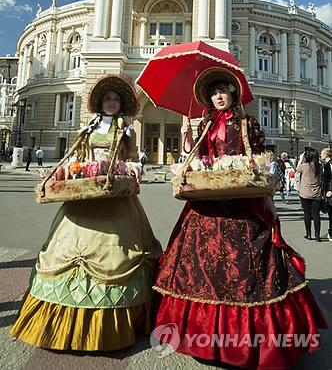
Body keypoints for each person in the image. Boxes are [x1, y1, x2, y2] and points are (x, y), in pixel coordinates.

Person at [153, 68, 326, 369]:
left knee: (250, 265)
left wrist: (263, 194)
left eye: (223, 91)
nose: (218, 96)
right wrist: (187, 138)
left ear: (233, 94)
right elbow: (199, 157)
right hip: (208, 201)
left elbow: (257, 160)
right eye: (214, 92)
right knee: (199, 264)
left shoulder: (247, 123)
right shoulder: (206, 123)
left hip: (242, 201)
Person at [11, 75, 162, 351]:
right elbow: (77, 155)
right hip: (86, 190)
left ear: (121, 104)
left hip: (114, 192)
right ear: (101, 103)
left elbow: (131, 157)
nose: (112, 103)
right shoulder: (89, 127)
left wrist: (131, 169)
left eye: (116, 99)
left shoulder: (126, 129)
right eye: (108, 99)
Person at [297, 147, 323, 242]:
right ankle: (317, 235)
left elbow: (297, 169)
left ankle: (308, 234)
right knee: (316, 215)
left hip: (305, 193)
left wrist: (301, 159)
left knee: (307, 214)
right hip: (316, 193)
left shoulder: (304, 166)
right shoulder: (319, 166)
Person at [321, 147, 332, 241]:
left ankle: (330, 233)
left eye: (322, 153)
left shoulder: (330, 164)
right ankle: (330, 231)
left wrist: (330, 190)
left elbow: (330, 179)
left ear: (326, 155)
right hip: (327, 191)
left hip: (330, 192)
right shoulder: (326, 164)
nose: (321, 155)